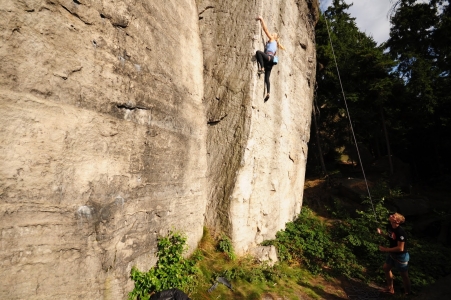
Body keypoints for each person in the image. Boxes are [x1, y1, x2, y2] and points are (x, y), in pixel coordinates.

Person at [377, 212, 411, 296]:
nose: (390, 216)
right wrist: (382, 234)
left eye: (393, 216)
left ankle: (407, 294)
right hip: (392, 254)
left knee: (404, 276)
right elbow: (390, 238)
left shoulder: (401, 232)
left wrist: (386, 249)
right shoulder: (389, 226)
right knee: (386, 268)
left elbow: (400, 248)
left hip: (401, 256)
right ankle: (390, 288)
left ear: (398, 221)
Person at [255, 16, 285, 100]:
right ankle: (268, 93)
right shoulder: (275, 45)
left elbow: (265, 30)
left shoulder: (272, 39)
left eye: (272, 35)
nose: (271, 35)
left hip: (268, 57)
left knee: (258, 52)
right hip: (271, 61)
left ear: (274, 37)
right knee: (267, 78)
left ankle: (262, 67)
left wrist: (262, 19)